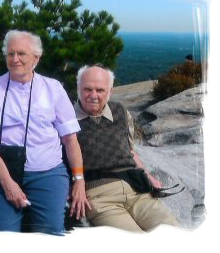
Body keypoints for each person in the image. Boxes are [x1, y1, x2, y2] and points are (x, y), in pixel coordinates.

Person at [0, 30, 90, 234]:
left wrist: (79, 180)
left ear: (36, 57)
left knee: (51, 231)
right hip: (0, 172)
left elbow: (70, 139)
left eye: (21, 54)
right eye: (10, 54)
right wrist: (8, 184)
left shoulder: (53, 88)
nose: (15, 59)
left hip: (47, 172)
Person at [74, 64, 179, 233]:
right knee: (138, 244)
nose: (93, 95)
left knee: (171, 232)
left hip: (136, 190)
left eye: (100, 90)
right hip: (100, 197)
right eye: (88, 89)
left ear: (110, 91)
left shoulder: (120, 111)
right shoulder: (67, 118)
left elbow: (131, 151)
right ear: (78, 88)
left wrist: (149, 177)